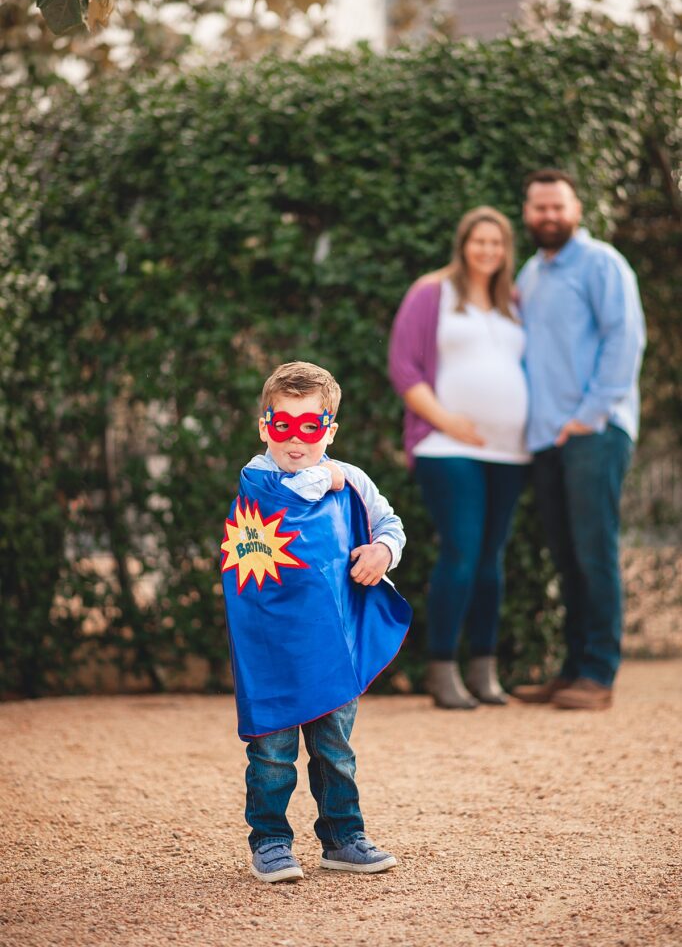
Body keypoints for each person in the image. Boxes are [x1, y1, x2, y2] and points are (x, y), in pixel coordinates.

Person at [220, 361, 411, 883]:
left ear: (330, 429)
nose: (296, 440)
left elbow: (390, 522)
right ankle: (271, 841)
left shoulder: (352, 480)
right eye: (283, 425)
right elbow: (292, 492)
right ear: (264, 426)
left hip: (331, 642)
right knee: (272, 752)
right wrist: (332, 473)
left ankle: (342, 837)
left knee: (335, 750)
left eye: (311, 426)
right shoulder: (258, 477)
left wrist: (383, 551)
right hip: (270, 646)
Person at [512, 169, 646, 711]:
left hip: (594, 429)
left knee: (594, 552)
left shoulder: (602, 263)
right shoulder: (530, 273)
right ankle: (570, 670)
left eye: (558, 207)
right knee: (566, 556)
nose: (549, 216)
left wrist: (590, 414)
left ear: (577, 209)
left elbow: (626, 338)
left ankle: (598, 673)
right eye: (539, 207)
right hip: (546, 439)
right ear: (528, 212)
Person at [388, 206, 529, 710]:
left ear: (505, 250)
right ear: (463, 244)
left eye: (497, 242)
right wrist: (450, 423)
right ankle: (442, 670)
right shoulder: (432, 293)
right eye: (479, 241)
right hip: (446, 446)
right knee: (462, 552)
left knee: (492, 559)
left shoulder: (512, 304)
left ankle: (484, 671)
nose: (487, 250)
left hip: (510, 452)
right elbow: (404, 369)